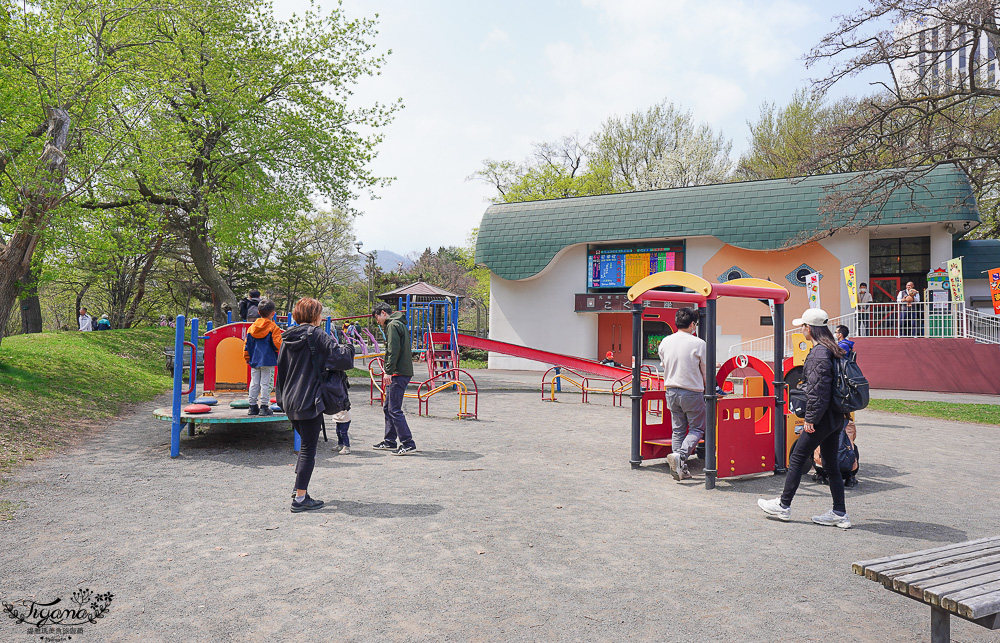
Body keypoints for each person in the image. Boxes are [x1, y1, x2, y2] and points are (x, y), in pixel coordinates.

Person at [758, 308, 852, 529]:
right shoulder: (834, 349)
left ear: (809, 328)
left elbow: (818, 390)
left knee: (799, 457)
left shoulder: (819, 352)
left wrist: (810, 419)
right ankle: (839, 512)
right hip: (836, 416)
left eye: (802, 326)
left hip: (822, 418)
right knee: (831, 464)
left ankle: (784, 505)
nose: (801, 329)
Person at [276, 297, 341, 512]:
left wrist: (281, 399)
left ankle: (299, 490)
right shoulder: (317, 334)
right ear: (314, 315)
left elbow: (281, 370)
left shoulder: (286, 338)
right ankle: (300, 499)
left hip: (290, 400)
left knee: (305, 444)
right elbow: (341, 358)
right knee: (307, 449)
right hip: (309, 400)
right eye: (320, 313)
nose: (322, 317)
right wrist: (348, 347)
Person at [658, 307, 707, 482]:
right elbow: (705, 371)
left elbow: (664, 364)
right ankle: (681, 456)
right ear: (693, 324)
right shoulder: (699, 343)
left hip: (670, 390)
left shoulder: (665, 341)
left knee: (678, 430)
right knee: (697, 428)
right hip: (692, 392)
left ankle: (681, 468)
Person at [372, 301, 417, 455]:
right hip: (401, 371)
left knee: (394, 409)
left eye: (377, 317)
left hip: (398, 372)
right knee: (388, 407)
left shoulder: (392, 325)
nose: (377, 321)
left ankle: (408, 442)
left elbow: (393, 349)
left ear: (383, 313)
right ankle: (390, 440)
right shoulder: (399, 323)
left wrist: (388, 371)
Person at [244, 299, 282, 417]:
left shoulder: (251, 328)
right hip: (268, 359)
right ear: (273, 313)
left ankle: (252, 406)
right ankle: (264, 407)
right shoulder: (273, 327)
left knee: (254, 382)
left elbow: (247, 344)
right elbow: (277, 344)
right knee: (266, 383)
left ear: (259, 313)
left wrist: (247, 357)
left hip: (255, 359)